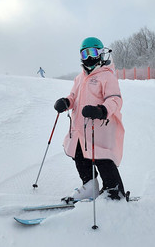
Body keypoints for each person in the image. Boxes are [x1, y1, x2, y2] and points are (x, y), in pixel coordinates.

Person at [54, 37, 126, 201]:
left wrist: (101, 110)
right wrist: (66, 102)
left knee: (102, 158)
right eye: (84, 53)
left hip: (100, 128)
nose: (88, 57)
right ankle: (89, 186)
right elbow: (74, 96)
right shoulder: (80, 78)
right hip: (79, 128)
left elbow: (115, 99)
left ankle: (113, 191)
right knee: (79, 155)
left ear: (100, 53)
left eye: (92, 52)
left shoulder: (107, 76)